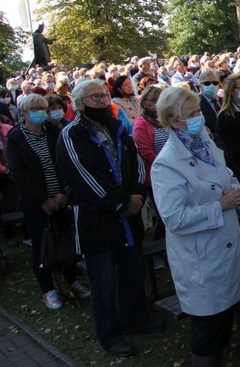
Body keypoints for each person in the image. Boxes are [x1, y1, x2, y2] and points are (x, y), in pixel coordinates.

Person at [56, 79, 164, 357]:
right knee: (102, 280)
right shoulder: (72, 134)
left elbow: (136, 161)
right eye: (95, 97)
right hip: (97, 219)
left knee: (132, 270)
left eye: (105, 95)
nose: (103, 101)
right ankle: (110, 333)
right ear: (79, 104)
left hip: (128, 216)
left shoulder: (116, 127)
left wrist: (137, 193)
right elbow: (84, 176)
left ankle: (135, 317)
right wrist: (122, 202)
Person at [150, 87, 240, 366]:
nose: (199, 119)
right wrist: (220, 205)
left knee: (224, 322)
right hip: (202, 260)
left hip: (224, 248)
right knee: (208, 331)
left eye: (198, 112)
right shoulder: (167, 164)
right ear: (173, 121)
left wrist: (234, 188)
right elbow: (174, 218)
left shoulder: (204, 141)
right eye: (191, 114)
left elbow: (223, 172)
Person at [6, 93, 89, 310]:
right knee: (42, 246)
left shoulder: (54, 132)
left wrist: (64, 193)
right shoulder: (16, 138)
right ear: (24, 113)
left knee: (67, 240)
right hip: (36, 203)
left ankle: (72, 280)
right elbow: (17, 173)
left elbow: (66, 162)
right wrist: (43, 199)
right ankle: (48, 290)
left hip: (61, 198)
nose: (40, 113)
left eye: (42, 108)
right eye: (34, 109)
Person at [132, 84, 169, 264]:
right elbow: (146, 152)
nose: (158, 103)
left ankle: (169, 248)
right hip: (156, 177)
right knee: (164, 216)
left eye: (161, 99)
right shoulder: (141, 124)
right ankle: (156, 253)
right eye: (154, 100)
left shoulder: (166, 118)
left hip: (174, 172)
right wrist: (167, 167)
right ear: (145, 103)